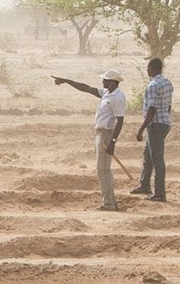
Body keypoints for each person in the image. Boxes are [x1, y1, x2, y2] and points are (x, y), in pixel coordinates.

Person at [52, 69, 126, 211]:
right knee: (104, 170)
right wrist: (66, 80)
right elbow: (86, 88)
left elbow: (120, 121)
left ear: (112, 82)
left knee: (103, 170)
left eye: (105, 80)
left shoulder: (118, 97)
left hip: (106, 134)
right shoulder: (107, 92)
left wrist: (113, 142)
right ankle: (110, 201)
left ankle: (108, 204)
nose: (102, 81)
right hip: (100, 133)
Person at [133, 57, 173, 202]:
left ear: (153, 68)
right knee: (148, 155)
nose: (147, 70)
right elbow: (168, 105)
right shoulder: (167, 83)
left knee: (157, 159)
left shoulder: (153, 86)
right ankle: (144, 185)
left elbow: (152, 108)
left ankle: (160, 193)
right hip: (165, 123)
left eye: (148, 68)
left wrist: (141, 129)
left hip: (155, 124)